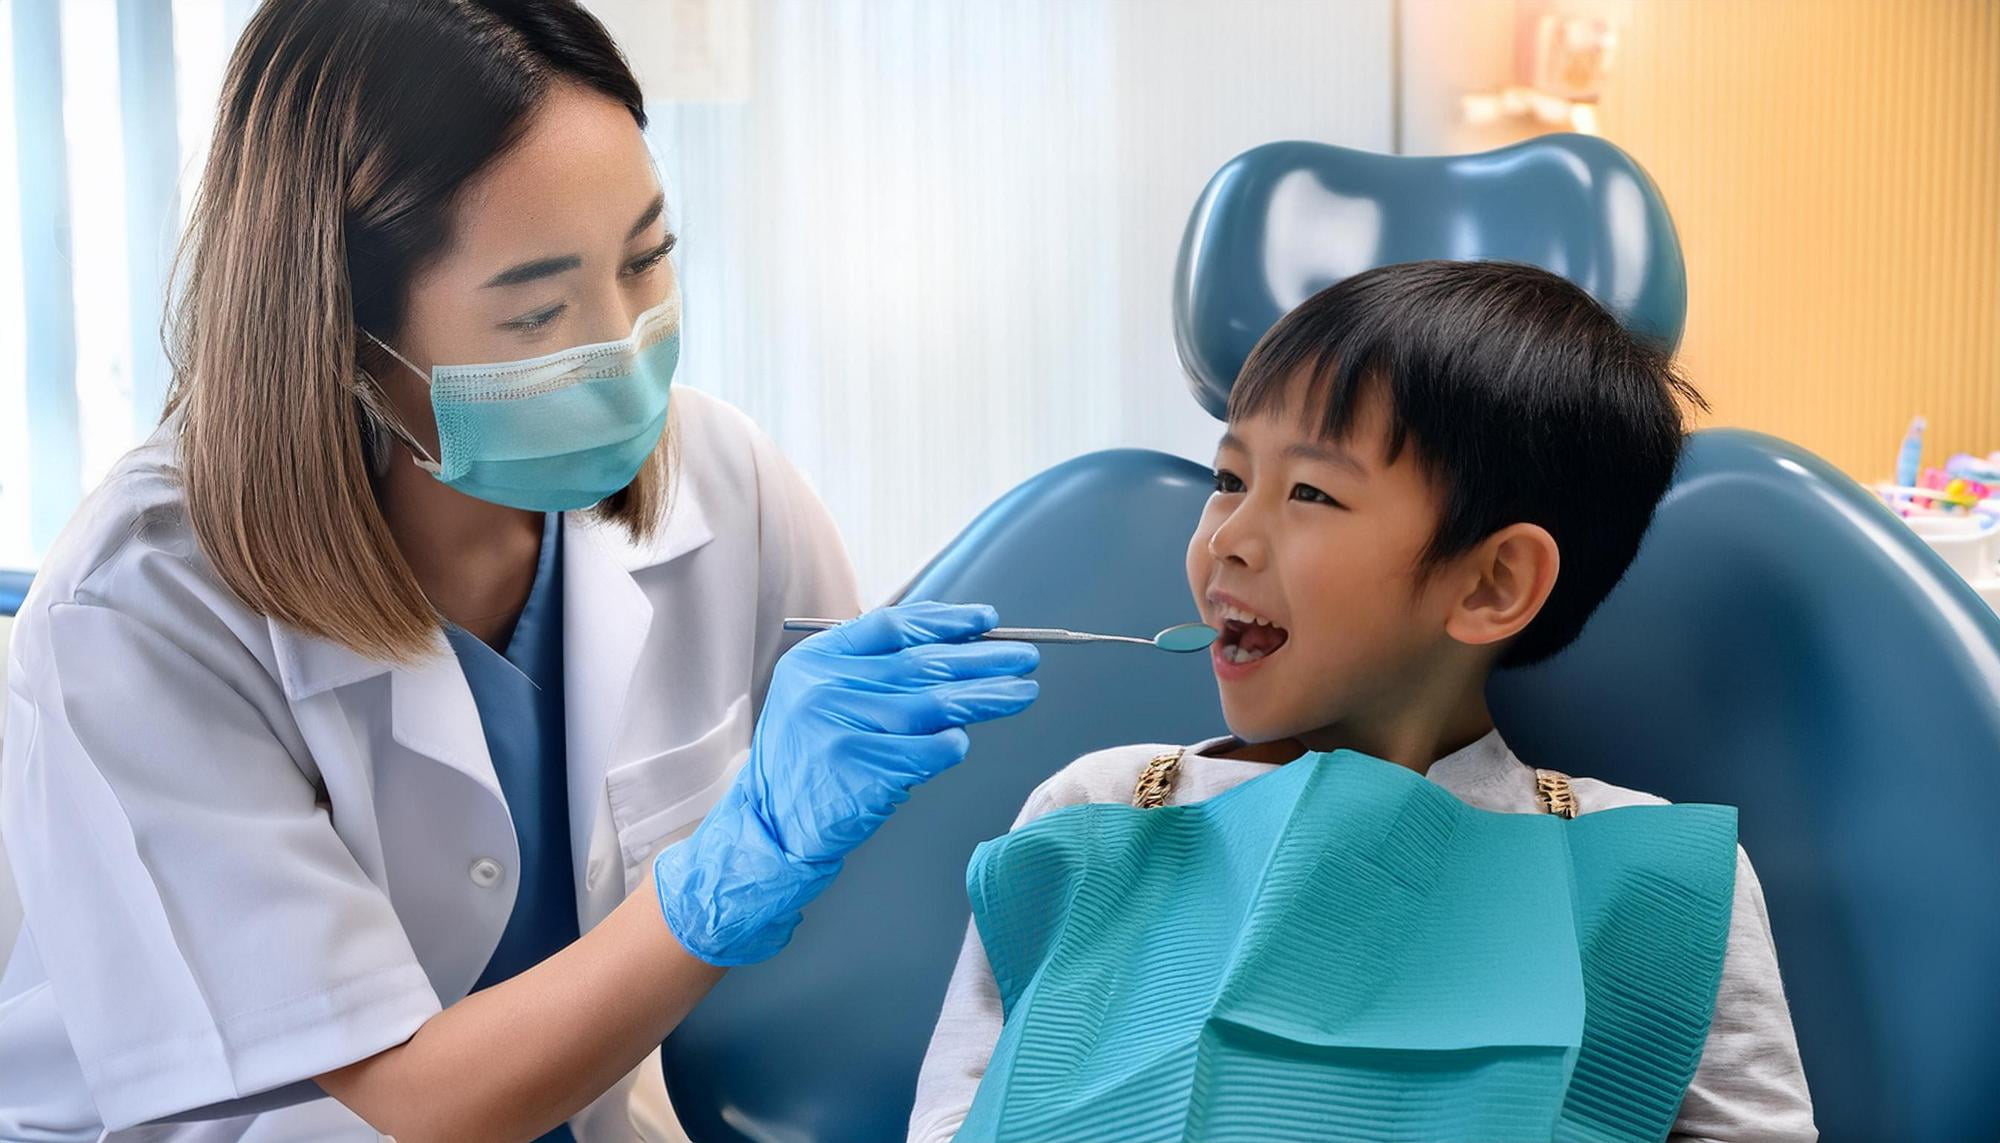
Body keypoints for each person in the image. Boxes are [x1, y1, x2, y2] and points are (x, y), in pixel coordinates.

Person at [0, 2, 1037, 1139]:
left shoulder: (724, 483)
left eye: (646, 261)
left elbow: (865, 913)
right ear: (342, 329)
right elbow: (411, 1102)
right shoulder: (140, 608)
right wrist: (723, 877)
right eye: (538, 311)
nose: (622, 345)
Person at [907, 260, 1816, 1142]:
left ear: (1493, 583)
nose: (1229, 537)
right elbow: (959, 1117)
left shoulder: (1649, 874)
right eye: (1228, 479)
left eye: (1310, 491)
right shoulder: (1099, 808)